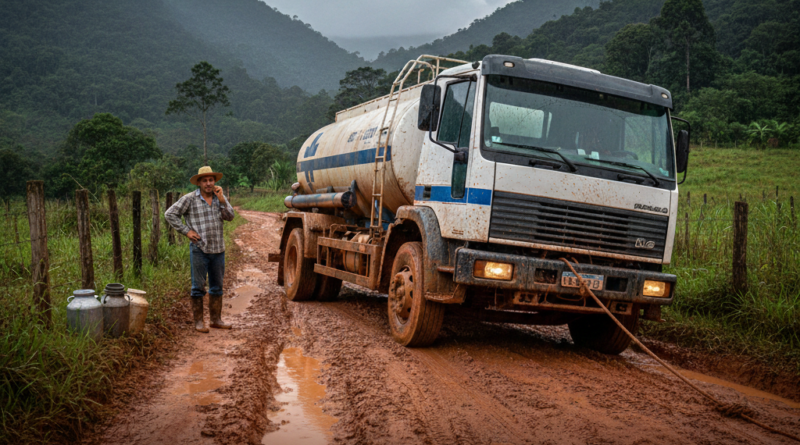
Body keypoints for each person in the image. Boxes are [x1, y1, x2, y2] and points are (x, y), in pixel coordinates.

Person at [165, 166, 235, 333]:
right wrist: (186, 231)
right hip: (199, 249)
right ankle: (198, 322)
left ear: (215, 182)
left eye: (211, 180)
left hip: (218, 249)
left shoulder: (219, 198)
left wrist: (223, 200)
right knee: (198, 287)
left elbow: (230, 217)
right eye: (205, 180)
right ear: (199, 183)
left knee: (217, 287)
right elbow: (170, 214)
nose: (208, 183)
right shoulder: (189, 199)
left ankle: (216, 320)